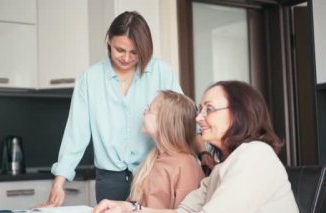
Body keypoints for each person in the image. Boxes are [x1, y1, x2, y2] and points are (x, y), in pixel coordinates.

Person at [38, 11, 183, 207]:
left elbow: (181, 118)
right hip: (109, 180)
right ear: (109, 41)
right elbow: (76, 133)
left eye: (134, 52)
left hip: (153, 173)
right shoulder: (90, 79)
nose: (126, 58)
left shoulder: (161, 72)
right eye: (120, 50)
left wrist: (201, 153)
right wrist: (58, 183)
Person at [93, 80, 299, 213]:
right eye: (200, 110)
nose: (199, 118)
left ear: (239, 113)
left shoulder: (255, 155)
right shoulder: (222, 168)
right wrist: (130, 208)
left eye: (209, 109)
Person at [128, 90, 204, 209]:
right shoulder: (152, 159)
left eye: (149, 109)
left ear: (165, 122)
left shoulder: (186, 165)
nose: (144, 112)